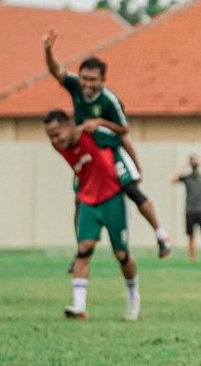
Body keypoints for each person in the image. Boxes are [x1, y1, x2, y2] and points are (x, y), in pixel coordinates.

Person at [43, 30, 171, 259]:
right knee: (79, 200)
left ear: (103, 81)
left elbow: (124, 131)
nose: (87, 83)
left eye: (93, 80)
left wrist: (100, 122)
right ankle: (81, 248)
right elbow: (56, 71)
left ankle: (161, 235)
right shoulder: (75, 87)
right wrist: (48, 50)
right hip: (87, 154)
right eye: (84, 78)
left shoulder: (109, 101)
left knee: (132, 190)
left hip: (108, 150)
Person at [44, 109, 141, 321]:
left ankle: (134, 295)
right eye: (50, 136)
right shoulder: (59, 145)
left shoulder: (91, 133)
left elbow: (122, 137)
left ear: (69, 125)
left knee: (121, 255)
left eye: (57, 133)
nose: (55, 140)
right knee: (83, 249)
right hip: (88, 199)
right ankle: (79, 307)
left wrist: (135, 170)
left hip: (112, 196)